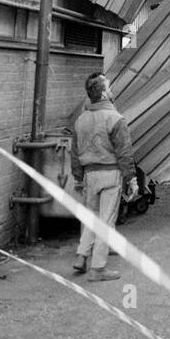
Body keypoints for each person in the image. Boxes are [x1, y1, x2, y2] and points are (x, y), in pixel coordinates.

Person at [70, 71, 137, 282]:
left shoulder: (81, 120)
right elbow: (124, 152)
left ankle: (82, 256)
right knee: (106, 221)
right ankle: (98, 269)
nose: (111, 90)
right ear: (104, 94)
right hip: (110, 174)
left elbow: (74, 152)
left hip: (90, 176)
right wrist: (131, 179)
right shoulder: (115, 119)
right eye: (109, 87)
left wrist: (78, 177)